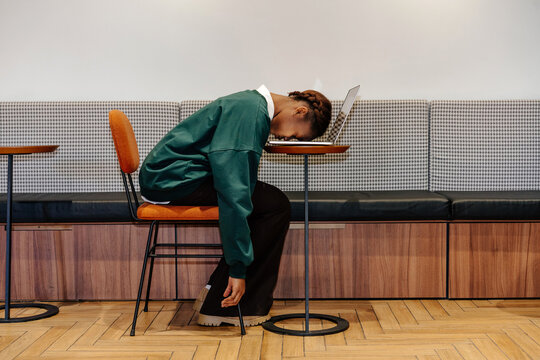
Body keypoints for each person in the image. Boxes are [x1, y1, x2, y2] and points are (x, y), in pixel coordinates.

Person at [138, 85, 332, 326]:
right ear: (300, 111)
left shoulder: (252, 104)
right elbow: (234, 193)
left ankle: (213, 292)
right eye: (296, 135)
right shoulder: (250, 116)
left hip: (170, 177)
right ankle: (226, 307)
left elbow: (235, 181)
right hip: (172, 182)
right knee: (274, 206)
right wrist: (237, 270)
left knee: (271, 202)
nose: (287, 138)